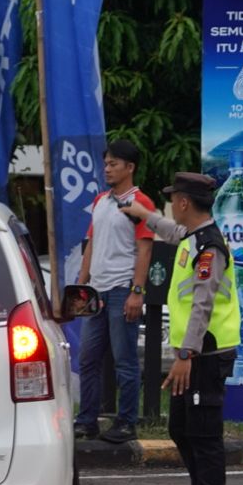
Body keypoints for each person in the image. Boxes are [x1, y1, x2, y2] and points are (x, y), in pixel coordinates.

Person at [120, 174, 240, 485]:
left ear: (185, 202)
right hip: (192, 353)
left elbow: (203, 304)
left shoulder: (210, 248)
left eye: (174, 199)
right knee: (180, 429)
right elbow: (170, 232)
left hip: (204, 352)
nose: (171, 205)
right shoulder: (192, 238)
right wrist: (144, 214)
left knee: (203, 434)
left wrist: (187, 353)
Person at [74, 140, 157, 444]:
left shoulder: (141, 203)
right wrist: (81, 287)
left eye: (113, 164)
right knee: (88, 359)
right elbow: (91, 245)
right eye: (106, 164)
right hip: (95, 291)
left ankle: (126, 422)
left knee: (124, 360)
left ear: (130, 168)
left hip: (123, 288)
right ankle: (87, 420)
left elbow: (144, 250)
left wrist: (137, 292)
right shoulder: (100, 202)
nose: (107, 169)